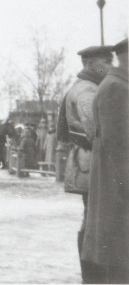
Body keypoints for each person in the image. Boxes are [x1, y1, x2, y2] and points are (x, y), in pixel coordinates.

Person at [57, 44, 114, 283]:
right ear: (89, 64)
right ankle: (93, 274)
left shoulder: (88, 87)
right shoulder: (86, 91)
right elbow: (98, 129)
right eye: (105, 63)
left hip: (89, 163)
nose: (111, 67)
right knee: (94, 220)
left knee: (92, 218)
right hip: (92, 163)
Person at [81, 38, 129, 283]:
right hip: (119, 187)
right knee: (120, 257)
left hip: (117, 185)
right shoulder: (116, 87)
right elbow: (117, 145)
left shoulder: (120, 84)